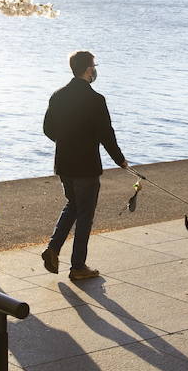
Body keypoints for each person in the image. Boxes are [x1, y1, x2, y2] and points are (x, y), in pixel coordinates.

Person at [40, 50, 128, 281]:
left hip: (64, 162)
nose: (95, 70)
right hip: (86, 165)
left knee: (73, 205)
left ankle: (53, 248)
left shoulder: (58, 95)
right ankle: (77, 266)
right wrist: (119, 159)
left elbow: (48, 129)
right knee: (85, 215)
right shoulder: (96, 100)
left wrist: (65, 142)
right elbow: (106, 134)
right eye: (94, 66)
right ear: (88, 69)